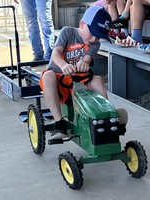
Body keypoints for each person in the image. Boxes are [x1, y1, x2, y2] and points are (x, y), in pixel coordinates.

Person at [39, 6, 112, 140]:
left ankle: (107, 116)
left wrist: (84, 63)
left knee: (98, 80)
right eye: (93, 33)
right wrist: (63, 65)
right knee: (47, 75)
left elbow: (86, 59)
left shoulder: (94, 44)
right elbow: (55, 53)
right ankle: (59, 122)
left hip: (77, 79)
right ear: (82, 24)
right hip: (58, 78)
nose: (94, 39)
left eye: (99, 37)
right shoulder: (68, 32)